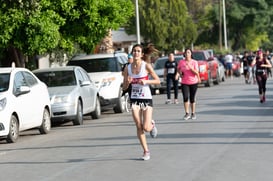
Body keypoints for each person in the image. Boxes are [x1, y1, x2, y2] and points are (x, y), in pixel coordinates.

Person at [122, 44, 160, 161]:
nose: (136, 53)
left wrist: (146, 82)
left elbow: (157, 81)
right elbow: (124, 87)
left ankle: (152, 125)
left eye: (138, 51)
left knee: (146, 127)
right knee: (138, 126)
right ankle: (146, 151)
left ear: (142, 54)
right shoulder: (127, 68)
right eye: (134, 51)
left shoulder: (146, 66)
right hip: (134, 99)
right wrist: (128, 83)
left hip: (146, 98)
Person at [177, 48, 200, 120]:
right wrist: (180, 74)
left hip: (193, 82)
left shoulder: (194, 62)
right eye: (186, 53)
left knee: (192, 98)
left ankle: (193, 113)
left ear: (191, 54)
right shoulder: (181, 62)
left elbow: (197, 73)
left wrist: (191, 68)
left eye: (188, 52)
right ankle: (187, 113)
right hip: (184, 82)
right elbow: (178, 69)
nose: (187, 54)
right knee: (185, 97)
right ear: (184, 54)